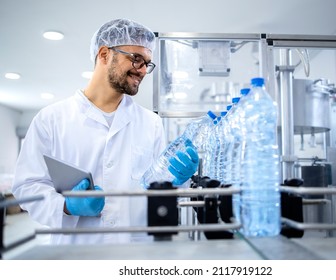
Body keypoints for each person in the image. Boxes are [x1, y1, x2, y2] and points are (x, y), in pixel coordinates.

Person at [11, 19, 199, 245]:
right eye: (136, 58)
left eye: (147, 63)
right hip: (77, 254)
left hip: (136, 252)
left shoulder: (151, 123)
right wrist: (66, 206)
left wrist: (177, 179)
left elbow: (156, 188)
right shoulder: (51, 119)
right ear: (103, 54)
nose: (142, 70)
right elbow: (26, 187)